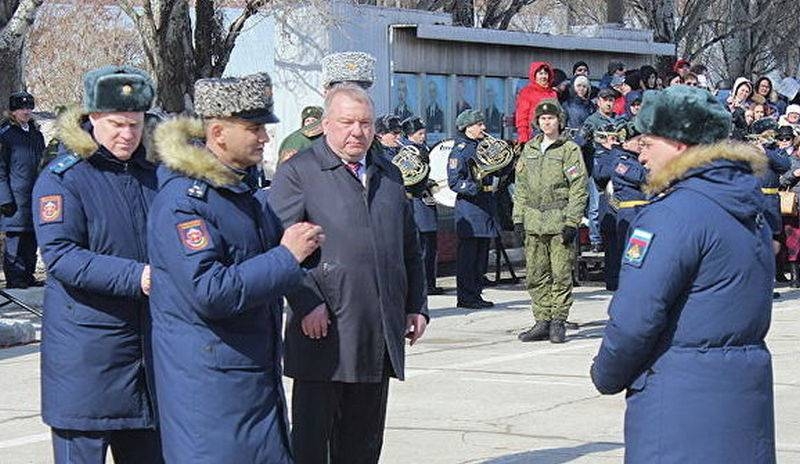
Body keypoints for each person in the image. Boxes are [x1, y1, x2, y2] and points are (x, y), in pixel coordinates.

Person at [591, 85, 776, 462]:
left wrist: (606, 374)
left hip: (678, 404)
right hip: (743, 399)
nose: (638, 153)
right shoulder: (747, 206)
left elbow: (634, 318)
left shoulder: (672, 214)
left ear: (678, 143)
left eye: (646, 142)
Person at [147, 74, 321, 463]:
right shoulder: (185, 202)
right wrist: (287, 256)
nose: (264, 138)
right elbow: (211, 291)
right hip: (211, 390)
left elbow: (270, 261)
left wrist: (306, 285)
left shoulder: (241, 194)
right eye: (254, 128)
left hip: (250, 377)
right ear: (219, 132)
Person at [269, 83, 428, 464]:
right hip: (324, 332)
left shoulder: (388, 176)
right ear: (326, 125)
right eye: (347, 122)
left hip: (377, 332)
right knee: (311, 443)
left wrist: (416, 305)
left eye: (365, 123)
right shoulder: (299, 173)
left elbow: (409, 248)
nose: (357, 131)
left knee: (363, 443)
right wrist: (306, 303)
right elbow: (281, 247)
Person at [32, 66, 164, 463]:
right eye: (117, 124)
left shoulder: (157, 176)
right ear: (92, 119)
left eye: (136, 124)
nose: (127, 135)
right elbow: (61, 255)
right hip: (86, 361)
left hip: (148, 362)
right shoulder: (64, 178)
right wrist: (137, 276)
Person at [513, 100, 587, 343]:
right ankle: (542, 319)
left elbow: (578, 188)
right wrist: (518, 218)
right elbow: (521, 187)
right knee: (535, 274)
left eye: (551, 118)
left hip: (558, 220)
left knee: (561, 273)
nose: (547, 122)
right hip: (534, 221)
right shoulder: (530, 149)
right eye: (543, 119)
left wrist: (572, 221)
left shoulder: (569, 150)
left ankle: (558, 320)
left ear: (559, 121)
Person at [277, 52, 376, 164]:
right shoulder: (300, 143)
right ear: (326, 94)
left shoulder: (373, 142)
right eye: (344, 92)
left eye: (360, 91)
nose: (353, 99)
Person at [448, 109, 502, 308]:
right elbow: (454, 181)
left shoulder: (482, 146)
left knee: (480, 257)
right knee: (468, 258)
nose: (484, 128)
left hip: (485, 205)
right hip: (470, 208)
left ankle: (476, 293)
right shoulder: (460, 150)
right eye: (479, 124)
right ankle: (466, 296)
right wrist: (474, 187)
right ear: (468, 127)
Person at [593, 122, 648, 291]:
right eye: (637, 140)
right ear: (625, 142)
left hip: (642, 212)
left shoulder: (634, 158)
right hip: (631, 214)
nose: (641, 144)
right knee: (633, 254)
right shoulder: (620, 161)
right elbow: (642, 177)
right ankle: (629, 286)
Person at [0, 91, 45, 288]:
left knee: (31, 238)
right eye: (21, 108)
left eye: (29, 108)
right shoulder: (6, 135)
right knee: (15, 240)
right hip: (14, 198)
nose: (26, 112)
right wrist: (4, 199)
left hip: (35, 196)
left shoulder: (36, 135)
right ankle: (15, 279)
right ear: (13, 111)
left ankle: (28, 274)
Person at [402, 115, 442, 295]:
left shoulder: (424, 148)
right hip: (418, 203)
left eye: (424, 133)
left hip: (427, 203)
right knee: (423, 247)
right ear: (410, 134)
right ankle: (424, 285)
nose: (422, 136)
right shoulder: (409, 152)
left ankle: (430, 282)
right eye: (419, 133)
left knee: (431, 247)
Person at [578, 88, 619, 252]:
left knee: (614, 203)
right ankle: (595, 239)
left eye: (611, 100)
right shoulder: (591, 120)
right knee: (595, 205)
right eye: (605, 100)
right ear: (598, 102)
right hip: (597, 164)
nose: (609, 103)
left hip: (616, 164)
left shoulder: (619, 120)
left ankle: (613, 235)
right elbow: (579, 142)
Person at [778, 125, 800, 287]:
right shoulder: (786, 159)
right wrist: (794, 174)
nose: (785, 141)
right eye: (782, 139)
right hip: (792, 205)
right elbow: (779, 181)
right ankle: (794, 276)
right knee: (792, 241)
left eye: (788, 138)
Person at [515, 61, 557, 143]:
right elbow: (522, 117)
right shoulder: (526, 92)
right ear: (534, 75)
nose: (544, 76)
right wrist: (523, 137)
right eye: (540, 73)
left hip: (551, 135)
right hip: (533, 135)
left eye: (545, 73)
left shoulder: (552, 93)